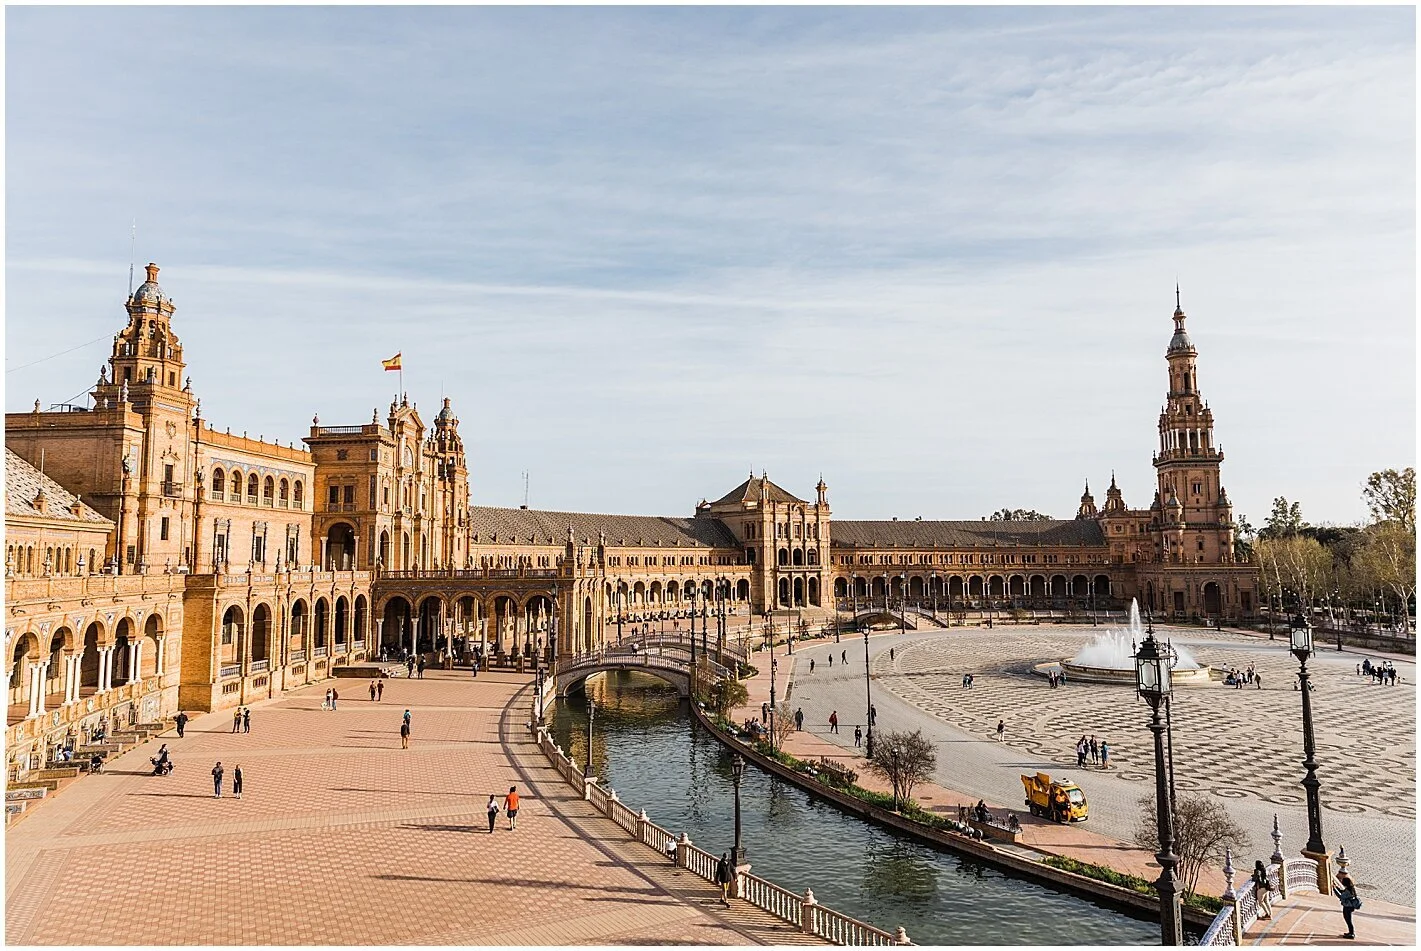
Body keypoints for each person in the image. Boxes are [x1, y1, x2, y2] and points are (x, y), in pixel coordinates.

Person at [1334, 872, 1360, 939]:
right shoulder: (1350, 889)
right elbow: (1342, 892)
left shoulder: (1348, 891)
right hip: (1349, 907)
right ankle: (1350, 932)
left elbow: (1340, 896)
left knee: (1348, 920)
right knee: (1348, 920)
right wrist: (1336, 887)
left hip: (1347, 907)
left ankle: (1351, 933)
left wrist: (1334, 889)